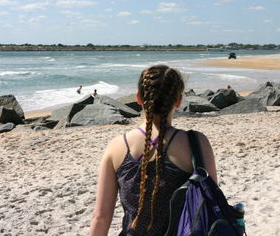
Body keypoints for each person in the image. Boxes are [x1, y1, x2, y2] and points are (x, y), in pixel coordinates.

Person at [90, 65, 217, 236]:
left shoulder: (117, 146)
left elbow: (101, 218)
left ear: (139, 98)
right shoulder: (196, 143)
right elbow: (210, 204)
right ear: (178, 101)